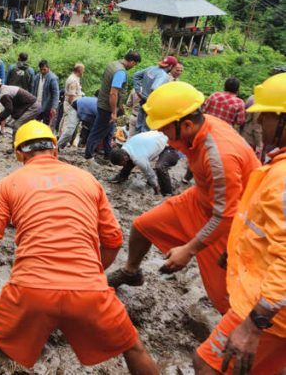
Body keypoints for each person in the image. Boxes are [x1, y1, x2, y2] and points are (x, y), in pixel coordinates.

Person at [0, 121, 159, 375]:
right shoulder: (88, 179)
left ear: (19, 154)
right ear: (55, 150)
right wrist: (92, 273)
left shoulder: (9, 183)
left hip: (30, 287)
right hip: (89, 289)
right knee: (133, 348)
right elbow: (114, 240)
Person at [107, 82, 260, 315]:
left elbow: (226, 214)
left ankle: (246, 338)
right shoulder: (198, 129)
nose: (165, 138)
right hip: (202, 197)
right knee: (142, 226)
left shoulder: (220, 156)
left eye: (166, 130)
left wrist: (189, 250)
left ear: (186, 125)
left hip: (231, 221)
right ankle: (131, 272)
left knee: (223, 296)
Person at [194, 73, 286, 375]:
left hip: (269, 308)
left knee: (208, 365)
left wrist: (254, 323)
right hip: (271, 303)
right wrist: (236, 247)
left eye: (266, 117)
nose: (259, 125)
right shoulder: (278, 164)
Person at [85, 50, 140, 160]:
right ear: (132, 62)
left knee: (109, 131)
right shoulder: (120, 72)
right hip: (107, 107)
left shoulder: (113, 64)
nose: (133, 67)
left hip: (102, 102)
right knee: (98, 131)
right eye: (135, 64)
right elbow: (113, 93)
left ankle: (108, 154)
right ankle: (88, 156)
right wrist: (114, 112)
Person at [109, 131, 179, 196]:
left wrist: (156, 189)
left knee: (160, 167)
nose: (121, 166)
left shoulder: (139, 159)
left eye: (120, 164)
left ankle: (168, 193)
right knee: (130, 160)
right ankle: (122, 177)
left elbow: (150, 174)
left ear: (124, 158)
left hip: (169, 144)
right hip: (158, 135)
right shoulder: (125, 147)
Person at [132, 56, 179, 134]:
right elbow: (154, 88)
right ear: (170, 66)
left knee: (138, 126)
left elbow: (136, 75)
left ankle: (134, 143)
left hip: (143, 101)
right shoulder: (163, 75)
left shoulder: (151, 68)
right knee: (146, 130)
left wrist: (138, 91)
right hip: (151, 105)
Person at [58, 63, 84, 139]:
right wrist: (74, 106)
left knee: (65, 120)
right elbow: (71, 96)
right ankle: (62, 139)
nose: (83, 72)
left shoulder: (75, 78)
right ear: (79, 70)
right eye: (83, 70)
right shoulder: (73, 80)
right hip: (71, 105)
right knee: (67, 122)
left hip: (71, 104)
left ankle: (61, 138)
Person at [31, 60, 60, 126]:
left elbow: (56, 93)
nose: (42, 71)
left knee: (46, 124)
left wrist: (54, 107)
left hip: (47, 105)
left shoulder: (53, 78)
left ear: (48, 68)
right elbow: (33, 90)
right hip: (37, 103)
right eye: (41, 69)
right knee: (35, 122)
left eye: (44, 69)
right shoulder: (37, 77)